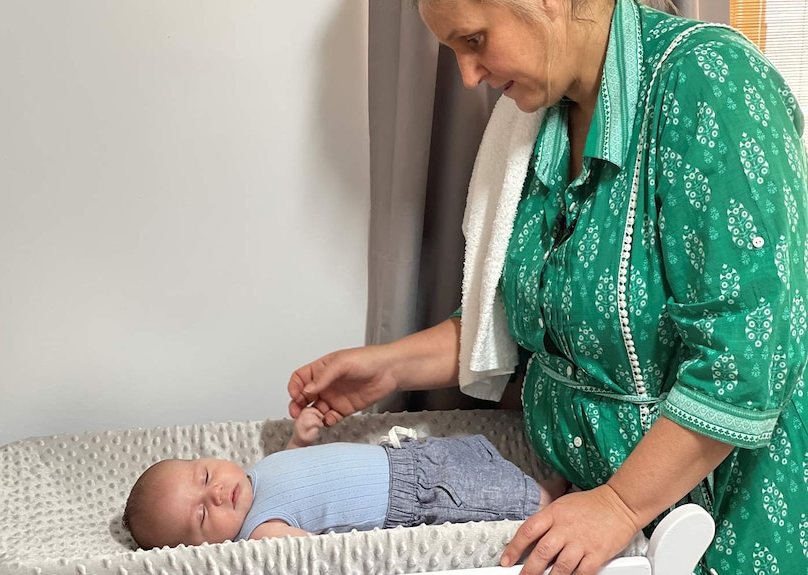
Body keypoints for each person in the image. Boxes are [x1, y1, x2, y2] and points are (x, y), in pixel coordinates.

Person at [288, 1, 808, 574]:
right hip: (595, 515)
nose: (468, 75)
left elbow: (747, 360)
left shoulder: (712, 85)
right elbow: (515, 321)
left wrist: (619, 503)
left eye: (476, 40)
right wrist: (389, 367)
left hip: (717, 529)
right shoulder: (543, 117)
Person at [121, 406, 567, 549]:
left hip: (403, 457)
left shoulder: (255, 473)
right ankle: (547, 501)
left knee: (470, 454)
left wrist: (300, 437)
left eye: (203, 475)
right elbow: (314, 550)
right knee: (487, 498)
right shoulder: (260, 532)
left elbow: (296, 465)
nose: (216, 493)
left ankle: (535, 486)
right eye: (202, 514)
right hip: (412, 499)